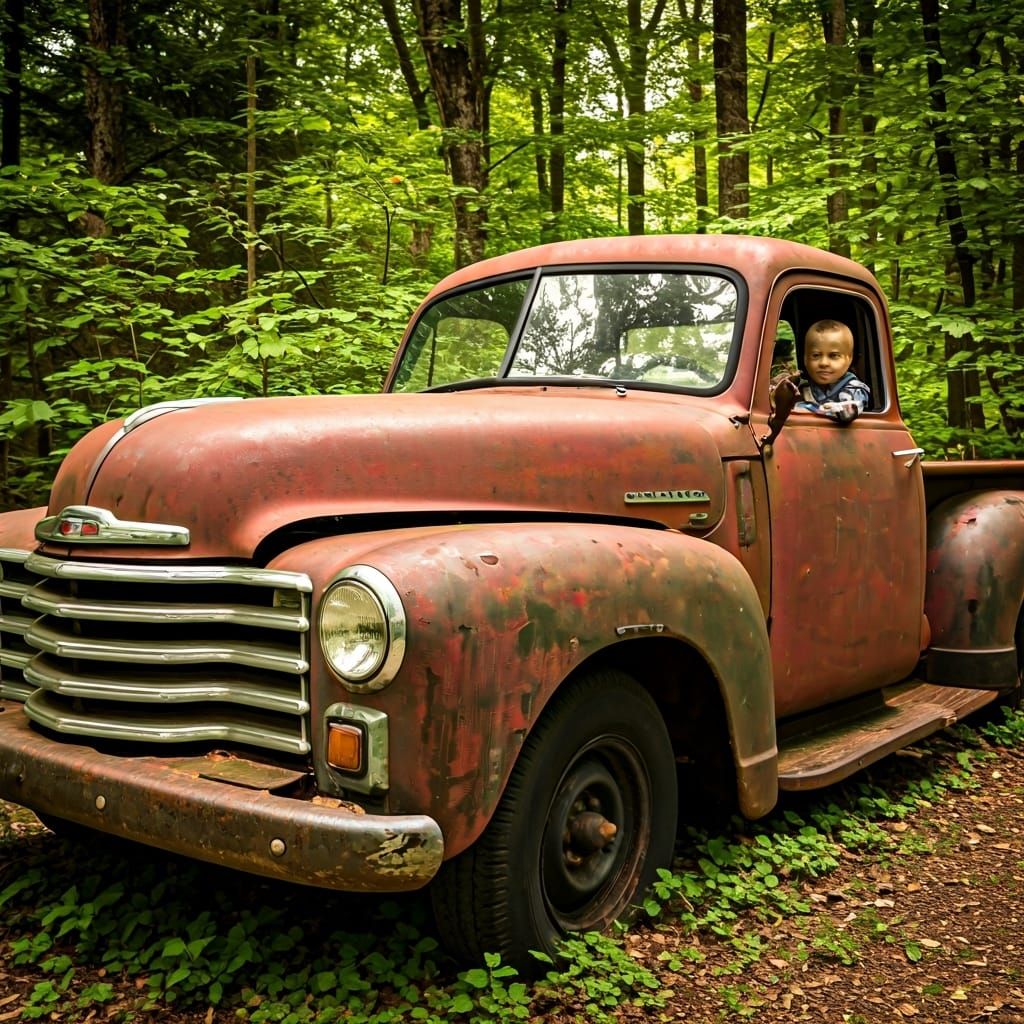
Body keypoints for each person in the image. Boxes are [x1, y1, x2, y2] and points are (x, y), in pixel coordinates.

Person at [788, 319, 870, 424]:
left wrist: (803, 407)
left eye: (833, 356)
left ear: (849, 359)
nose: (824, 363)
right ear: (805, 359)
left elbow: (848, 412)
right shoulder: (801, 384)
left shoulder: (854, 388)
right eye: (816, 355)